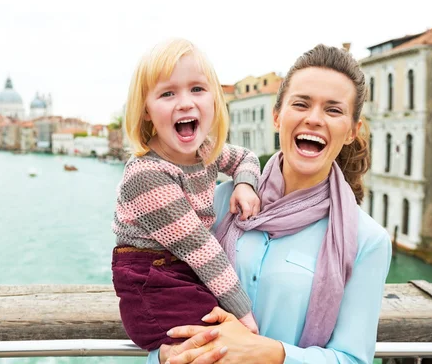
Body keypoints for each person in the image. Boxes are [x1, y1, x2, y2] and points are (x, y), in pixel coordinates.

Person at [150, 44, 392, 364]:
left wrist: (268, 352)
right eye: (301, 104)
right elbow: (163, 301)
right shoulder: (214, 202)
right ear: (277, 116)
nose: (314, 119)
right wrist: (164, 354)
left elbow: (352, 358)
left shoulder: (367, 240)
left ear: (351, 130)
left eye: (333, 110)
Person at [112, 38, 261, 352]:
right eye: (168, 93)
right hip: (151, 283)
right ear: (147, 111)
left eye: (197, 89)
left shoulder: (204, 151)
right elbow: (200, 248)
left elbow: (246, 157)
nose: (185, 102)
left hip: (182, 271)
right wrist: (243, 313)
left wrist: (245, 184)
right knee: (222, 344)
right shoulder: (146, 175)